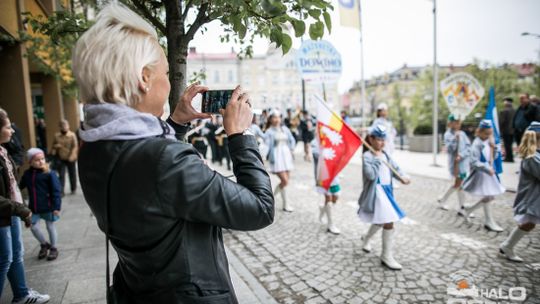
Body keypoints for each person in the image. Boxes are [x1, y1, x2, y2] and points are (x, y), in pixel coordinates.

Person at [72, 3, 273, 303]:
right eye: (166, 72)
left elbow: (146, 183)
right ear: (144, 78)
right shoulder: (165, 160)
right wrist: (239, 135)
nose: (169, 82)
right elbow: (260, 208)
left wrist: (175, 123)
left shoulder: (92, 147)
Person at [0, 108, 50, 304]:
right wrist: (22, 209)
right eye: (7, 126)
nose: (12, 130)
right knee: (4, 260)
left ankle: (21, 294)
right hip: (5, 214)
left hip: (11, 212)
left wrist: (21, 210)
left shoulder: (4, 150)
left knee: (15, 255)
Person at [357, 125, 411, 270]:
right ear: (371, 139)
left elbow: (395, 168)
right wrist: (376, 159)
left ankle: (366, 238)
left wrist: (403, 177)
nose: (381, 143)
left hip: (387, 191)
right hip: (377, 193)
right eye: (379, 139)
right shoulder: (367, 156)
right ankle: (386, 255)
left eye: (383, 140)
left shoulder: (386, 155)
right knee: (389, 221)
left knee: (381, 221)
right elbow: (371, 175)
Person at [499, 121, 540, 262]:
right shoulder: (532, 157)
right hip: (532, 198)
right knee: (528, 223)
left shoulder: (535, 155)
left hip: (535, 197)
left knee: (529, 224)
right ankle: (507, 245)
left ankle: (507, 245)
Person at [461, 119, 506, 232]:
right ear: (480, 131)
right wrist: (486, 168)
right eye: (486, 133)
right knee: (489, 196)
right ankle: (488, 220)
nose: (488, 135)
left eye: (490, 133)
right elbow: (473, 162)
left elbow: (493, 158)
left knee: (490, 196)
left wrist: (494, 148)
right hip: (482, 174)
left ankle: (470, 209)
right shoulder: (477, 143)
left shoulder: (488, 140)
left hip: (488, 173)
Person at [19, 148, 62, 261]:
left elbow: (56, 191)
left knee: (50, 226)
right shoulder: (27, 174)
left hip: (49, 207)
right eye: (37, 160)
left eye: (42, 159)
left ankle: (53, 248)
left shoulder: (49, 173)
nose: (41, 161)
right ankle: (44, 244)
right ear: (30, 162)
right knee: (33, 227)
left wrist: (57, 207)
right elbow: (20, 186)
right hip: (34, 207)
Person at [437, 114, 471, 216]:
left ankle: (443, 199)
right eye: (455, 122)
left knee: (459, 184)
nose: (457, 124)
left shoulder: (463, 134)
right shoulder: (448, 135)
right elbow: (450, 149)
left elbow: (469, 147)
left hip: (463, 164)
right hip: (455, 165)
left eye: (458, 122)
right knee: (459, 184)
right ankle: (461, 207)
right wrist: (454, 139)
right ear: (450, 123)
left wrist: (462, 155)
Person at [265, 110, 296, 212]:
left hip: (286, 156)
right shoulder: (269, 132)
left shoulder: (284, 129)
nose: (277, 119)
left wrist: (291, 148)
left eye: (278, 117)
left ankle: (284, 204)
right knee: (284, 181)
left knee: (286, 182)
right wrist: (263, 156)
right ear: (270, 119)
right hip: (277, 157)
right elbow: (267, 146)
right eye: (274, 117)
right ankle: (271, 199)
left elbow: (292, 140)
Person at [311, 136, 341, 234]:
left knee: (336, 197)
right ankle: (330, 224)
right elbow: (316, 155)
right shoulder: (315, 141)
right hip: (323, 175)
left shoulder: (332, 138)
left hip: (334, 174)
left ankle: (322, 210)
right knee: (328, 198)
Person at [50, 119, 78, 195]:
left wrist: (72, 155)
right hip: (61, 157)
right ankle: (61, 190)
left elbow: (75, 146)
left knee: (72, 173)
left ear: (68, 126)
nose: (64, 127)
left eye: (66, 125)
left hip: (70, 157)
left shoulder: (72, 135)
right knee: (61, 174)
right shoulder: (57, 135)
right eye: (62, 125)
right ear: (60, 127)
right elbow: (53, 146)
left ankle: (73, 188)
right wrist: (56, 147)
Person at [499, 97, 515, 162]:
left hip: (506, 130)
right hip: (513, 130)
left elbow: (502, 121)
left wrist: (500, 129)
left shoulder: (504, 111)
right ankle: (510, 157)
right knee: (510, 144)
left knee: (507, 145)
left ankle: (508, 158)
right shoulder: (514, 110)